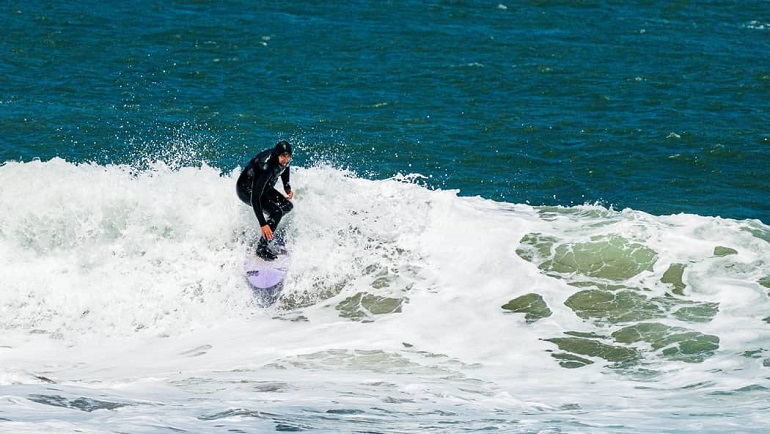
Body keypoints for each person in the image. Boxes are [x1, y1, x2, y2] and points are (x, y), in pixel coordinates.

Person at [236, 140, 294, 260]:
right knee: (276, 212)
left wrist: (286, 186)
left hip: (264, 186)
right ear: (277, 154)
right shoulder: (265, 167)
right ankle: (261, 248)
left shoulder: (282, 160)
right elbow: (255, 198)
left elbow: (284, 168)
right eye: (283, 156)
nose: (286, 159)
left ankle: (271, 226)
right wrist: (263, 224)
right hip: (247, 190)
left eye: (288, 156)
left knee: (287, 207)